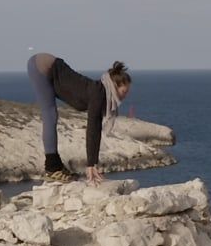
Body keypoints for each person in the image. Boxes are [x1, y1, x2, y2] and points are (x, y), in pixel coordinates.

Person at [26, 53, 132, 183]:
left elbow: (96, 129)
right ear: (114, 86)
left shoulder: (100, 92)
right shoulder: (98, 94)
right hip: (41, 66)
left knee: (51, 114)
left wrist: (93, 164)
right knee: (50, 114)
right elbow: (92, 129)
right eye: (124, 92)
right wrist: (90, 165)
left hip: (50, 66)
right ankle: (52, 168)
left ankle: (56, 165)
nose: (125, 96)